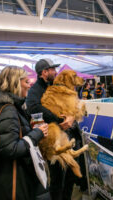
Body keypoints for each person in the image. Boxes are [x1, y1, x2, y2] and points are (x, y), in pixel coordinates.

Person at [0, 66, 49, 199]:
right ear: (15, 83)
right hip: (16, 175)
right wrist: (37, 133)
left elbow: (10, 134)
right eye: (26, 82)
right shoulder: (8, 109)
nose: (29, 85)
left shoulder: (9, 107)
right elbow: (10, 149)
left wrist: (27, 129)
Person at [26, 59, 85, 200]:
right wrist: (59, 121)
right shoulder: (35, 90)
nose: (55, 72)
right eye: (52, 69)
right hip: (54, 139)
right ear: (44, 72)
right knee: (58, 177)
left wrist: (71, 117)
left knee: (70, 175)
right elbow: (33, 108)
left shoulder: (56, 85)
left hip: (70, 135)